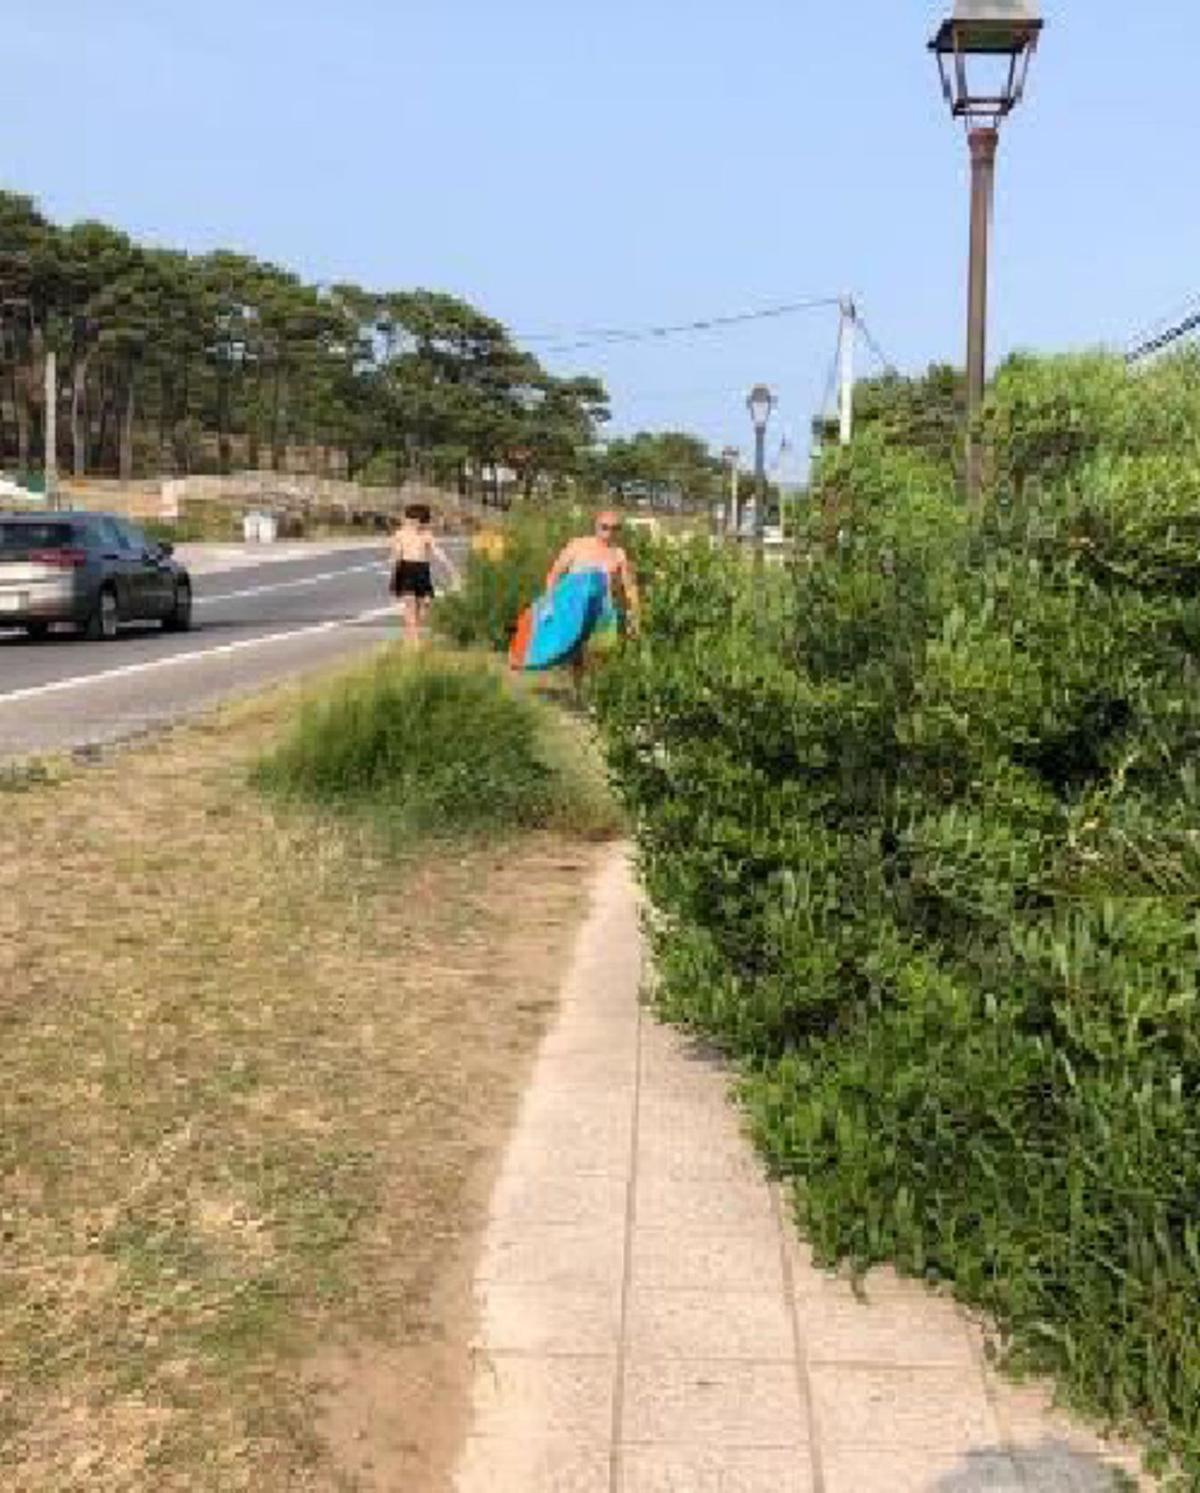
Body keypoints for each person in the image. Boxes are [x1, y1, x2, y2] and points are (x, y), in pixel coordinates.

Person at [543, 509, 640, 691]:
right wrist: (549, 604)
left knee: (601, 655)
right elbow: (554, 574)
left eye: (614, 528)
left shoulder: (619, 554)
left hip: (603, 611)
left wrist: (634, 614)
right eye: (604, 527)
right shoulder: (577, 545)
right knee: (577, 655)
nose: (609, 532)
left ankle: (596, 695)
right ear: (596, 526)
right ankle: (578, 692)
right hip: (574, 609)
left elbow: (630, 587)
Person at [388, 504, 457, 644]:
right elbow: (396, 554)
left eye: (419, 521)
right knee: (410, 605)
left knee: (423, 606)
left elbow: (437, 551)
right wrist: (394, 573)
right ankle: (415, 642)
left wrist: (450, 566)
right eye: (411, 520)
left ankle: (410, 635)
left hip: (422, 570)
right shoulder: (400, 534)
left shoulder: (426, 535)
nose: (414, 524)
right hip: (405, 569)